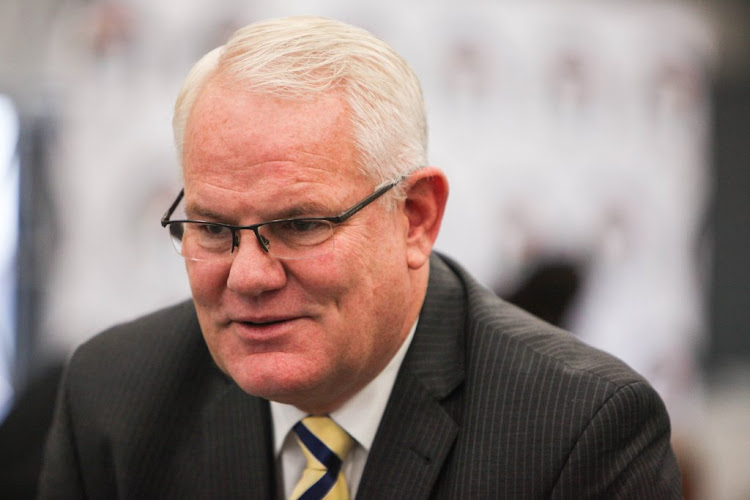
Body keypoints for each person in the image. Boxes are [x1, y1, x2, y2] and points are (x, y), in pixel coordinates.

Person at [38, 16, 682, 499]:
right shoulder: (113, 399)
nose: (250, 276)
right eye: (211, 228)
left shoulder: (581, 429)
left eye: (300, 225)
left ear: (415, 217)